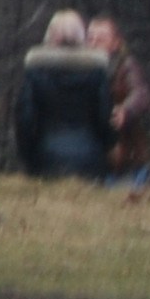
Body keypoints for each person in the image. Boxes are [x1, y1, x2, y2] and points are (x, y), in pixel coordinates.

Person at [12, 10, 113, 180]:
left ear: (50, 36)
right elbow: (105, 117)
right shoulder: (97, 74)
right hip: (90, 159)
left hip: (45, 158)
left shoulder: (35, 73)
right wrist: (105, 147)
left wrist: (28, 154)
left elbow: (25, 119)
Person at [95, 16, 150, 183]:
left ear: (116, 42)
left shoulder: (126, 66)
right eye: (90, 38)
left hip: (127, 155)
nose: (93, 43)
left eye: (100, 39)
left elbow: (141, 93)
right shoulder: (84, 70)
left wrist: (126, 110)